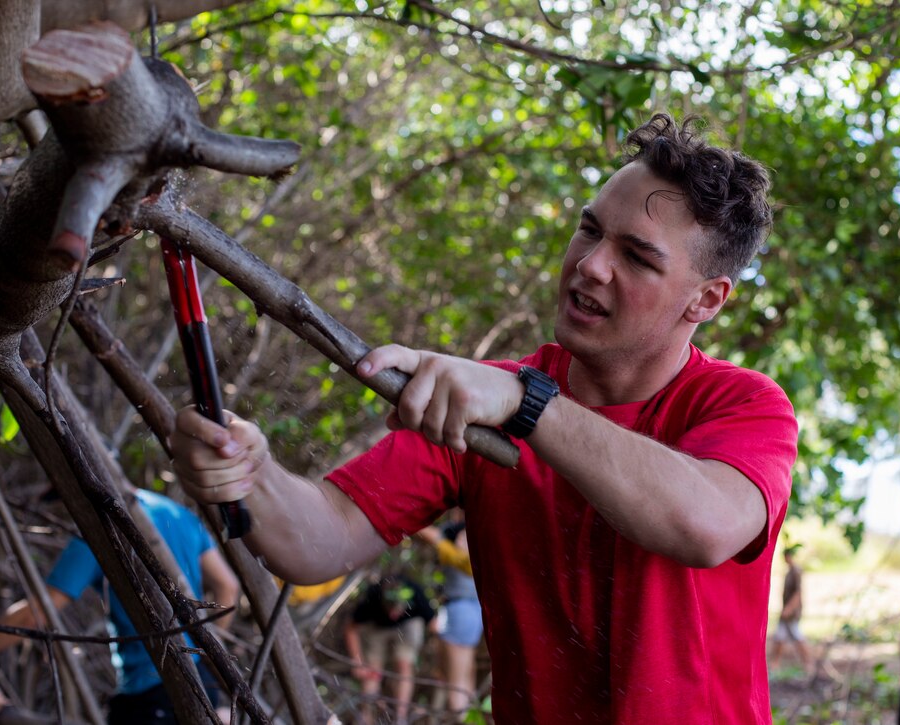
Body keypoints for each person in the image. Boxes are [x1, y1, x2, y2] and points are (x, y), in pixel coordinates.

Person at [171, 113, 799, 723]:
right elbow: (320, 539)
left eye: (637, 256)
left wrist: (527, 406)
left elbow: (705, 525)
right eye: (589, 229)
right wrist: (251, 473)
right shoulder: (489, 396)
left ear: (707, 299)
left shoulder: (744, 406)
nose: (590, 265)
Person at [0, 488, 240, 725]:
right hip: (202, 682)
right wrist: (203, 652)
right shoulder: (176, 512)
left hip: (153, 691)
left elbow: (36, 613)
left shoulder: (97, 532)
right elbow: (228, 588)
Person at [343, 574, 436, 725]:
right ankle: (366, 716)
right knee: (372, 670)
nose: (393, 614)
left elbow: (434, 625)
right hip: (377, 627)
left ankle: (400, 718)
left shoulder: (417, 595)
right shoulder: (373, 597)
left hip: (409, 625)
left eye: (397, 610)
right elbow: (351, 628)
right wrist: (357, 661)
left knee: (404, 664)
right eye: (390, 609)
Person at [415, 521, 482, 718]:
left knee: (457, 683)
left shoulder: (459, 557)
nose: (463, 539)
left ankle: (463, 717)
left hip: (462, 612)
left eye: (466, 537)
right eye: (461, 536)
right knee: (464, 676)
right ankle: (469, 717)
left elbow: (431, 535)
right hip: (473, 614)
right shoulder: (466, 556)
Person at [770, 544, 812, 671]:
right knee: (779, 637)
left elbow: (797, 593)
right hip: (787, 611)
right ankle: (775, 663)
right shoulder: (789, 571)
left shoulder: (795, 571)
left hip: (792, 612)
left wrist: (789, 608)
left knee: (797, 636)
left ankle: (808, 662)